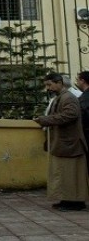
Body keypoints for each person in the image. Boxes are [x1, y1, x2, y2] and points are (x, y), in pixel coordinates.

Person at [33, 72, 89, 212]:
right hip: (63, 143)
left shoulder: (69, 98)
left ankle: (75, 202)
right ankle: (67, 199)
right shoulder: (62, 97)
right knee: (64, 174)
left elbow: (70, 114)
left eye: (49, 85)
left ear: (59, 83)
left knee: (71, 174)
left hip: (70, 144)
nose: (48, 88)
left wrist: (46, 120)